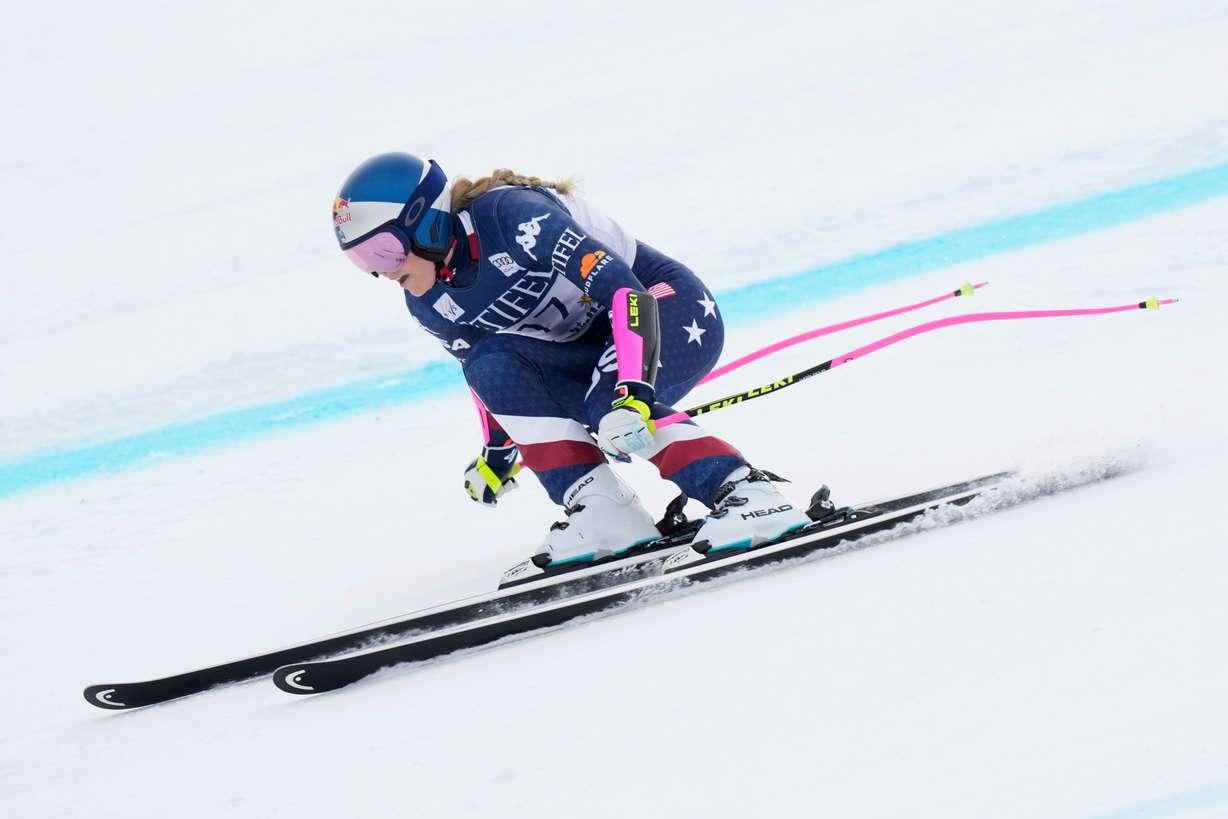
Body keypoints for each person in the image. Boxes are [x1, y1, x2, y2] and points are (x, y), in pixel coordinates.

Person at [333, 152, 814, 570]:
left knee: (609, 400)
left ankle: (747, 494)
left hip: (665, 307)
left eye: (384, 248)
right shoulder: (428, 301)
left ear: (427, 220)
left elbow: (628, 294)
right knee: (487, 361)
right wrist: (499, 456)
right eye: (363, 261)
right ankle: (604, 510)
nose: (382, 270)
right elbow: (493, 379)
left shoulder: (514, 217)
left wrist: (633, 392)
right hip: (590, 347)